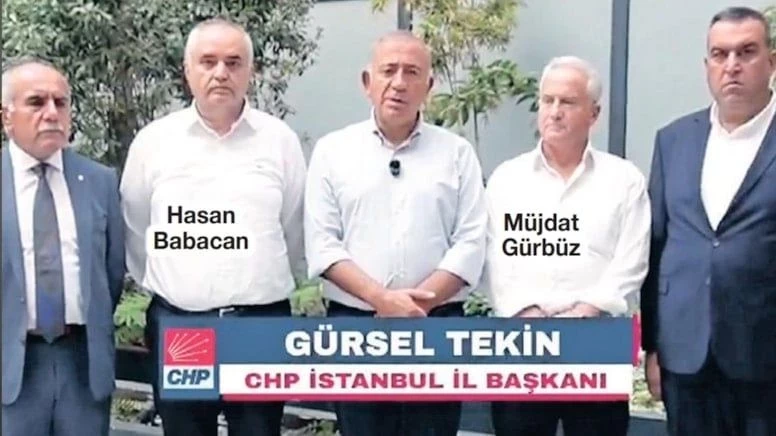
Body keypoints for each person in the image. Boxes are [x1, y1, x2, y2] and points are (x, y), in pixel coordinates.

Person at [120, 18, 306, 436]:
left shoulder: (279, 141)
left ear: (250, 72)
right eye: (208, 62)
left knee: (259, 431)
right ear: (188, 71)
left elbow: (292, 230)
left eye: (233, 62)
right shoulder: (154, 142)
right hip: (184, 326)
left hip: (259, 326)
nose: (221, 73)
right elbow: (137, 230)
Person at [304, 30, 487, 436]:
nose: (399, 83)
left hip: (436, 327)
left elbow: (471, 241)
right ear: (367, 82)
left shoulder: (457, 153)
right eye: (388, 71)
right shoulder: (333, 152)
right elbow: (322, 243)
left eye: (412, 72)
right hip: (357, 327)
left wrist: (416, 307)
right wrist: (382, 300)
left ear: (429, 85)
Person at [484, 56, 650, 436]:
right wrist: (527, 312)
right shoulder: (507, 179)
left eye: (568, 102)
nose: (554, 112)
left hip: (596, 342)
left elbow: (632, 259)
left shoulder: (623, 180)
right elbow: (492, 256)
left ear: (594, 113)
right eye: (548, 100)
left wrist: (585, 312)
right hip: (522, 342)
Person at [641, 6, 776, 436]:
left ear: (771, 62)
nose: (732, 65)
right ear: (707, 66)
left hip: (765, 359)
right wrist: (652, 347)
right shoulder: (674, 140)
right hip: (685, 358)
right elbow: (657, 247)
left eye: (746, 52)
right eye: (720, 54)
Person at [1, 57, 125, 436]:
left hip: (81, 365)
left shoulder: (100, 181)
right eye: (36, 102)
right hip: (11, 367)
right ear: (6, 117)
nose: (52, 113)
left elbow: (111, 272)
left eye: (61, 102)